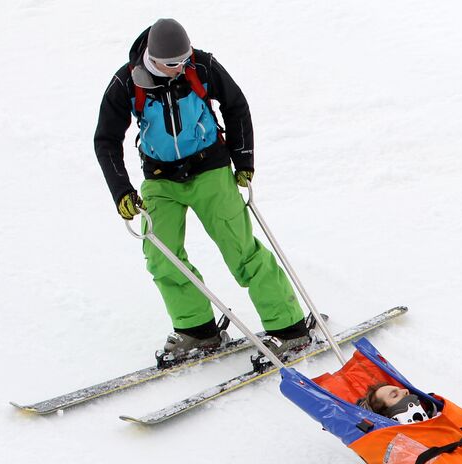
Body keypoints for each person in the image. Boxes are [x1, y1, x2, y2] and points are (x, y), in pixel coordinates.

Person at [94, 18, 309, 365]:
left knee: (241, 249)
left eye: (184, 60)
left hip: (210, 169)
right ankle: (198, 330)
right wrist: (121, 190)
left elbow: (236, 105)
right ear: (152, 57)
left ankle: (290, 328)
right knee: (162, 255)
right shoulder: (125, 81)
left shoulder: (202, 65)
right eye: (171, 64)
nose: (180, 68)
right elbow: (105, 139)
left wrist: (243, 159)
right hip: (161, 178)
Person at [358, 382, 433, 423]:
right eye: (395, 395)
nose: (406, 390)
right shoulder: (401, 446)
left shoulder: (438, 412)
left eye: (400, 389)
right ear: (385, 415)